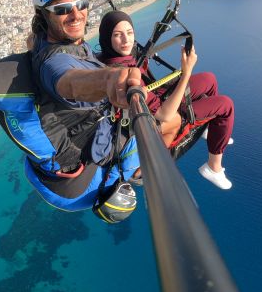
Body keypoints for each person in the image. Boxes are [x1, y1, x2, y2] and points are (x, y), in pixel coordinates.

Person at [26, 0, 142, 217]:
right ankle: (131, 173)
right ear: (43, 14)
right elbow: (69, 81)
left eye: (82, 4)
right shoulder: (53, 63)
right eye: (62, 9)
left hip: (66, 145)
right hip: (85, 176)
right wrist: (109, 79)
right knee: (147, 128)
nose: (76, 14)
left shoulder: (45, 40)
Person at [97, 10, 235, 190]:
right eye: (117, 35)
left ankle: (209, 129)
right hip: (154, 118)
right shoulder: (122, 72)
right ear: (108, 38)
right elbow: (164, 115)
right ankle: (213, 167)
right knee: (226, 105)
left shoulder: (116, 56)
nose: (126, 40)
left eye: (129, 33)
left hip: (152, 99)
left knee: (209, 79)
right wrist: (186, 73)